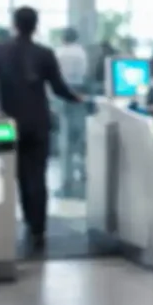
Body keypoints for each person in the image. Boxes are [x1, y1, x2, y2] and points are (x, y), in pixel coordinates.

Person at [0, 8, 81, 249]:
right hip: (38, 123)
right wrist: (78, 99)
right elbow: (58, 88)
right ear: (36, 26)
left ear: (14, 24)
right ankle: (37, 229)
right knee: (37, 176)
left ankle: (9, 226)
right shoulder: (45, 53)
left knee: (12, 176)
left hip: (9, 125)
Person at [55, 27, 89, 194]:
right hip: (79, 94)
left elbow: (55, 77)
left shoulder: (59, 53)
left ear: (64, 38)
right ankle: (83, 174)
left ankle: (66, 182)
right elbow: (85, 74)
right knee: (80, 138)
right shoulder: (81, 53)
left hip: (63, 95)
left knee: (65, 140)